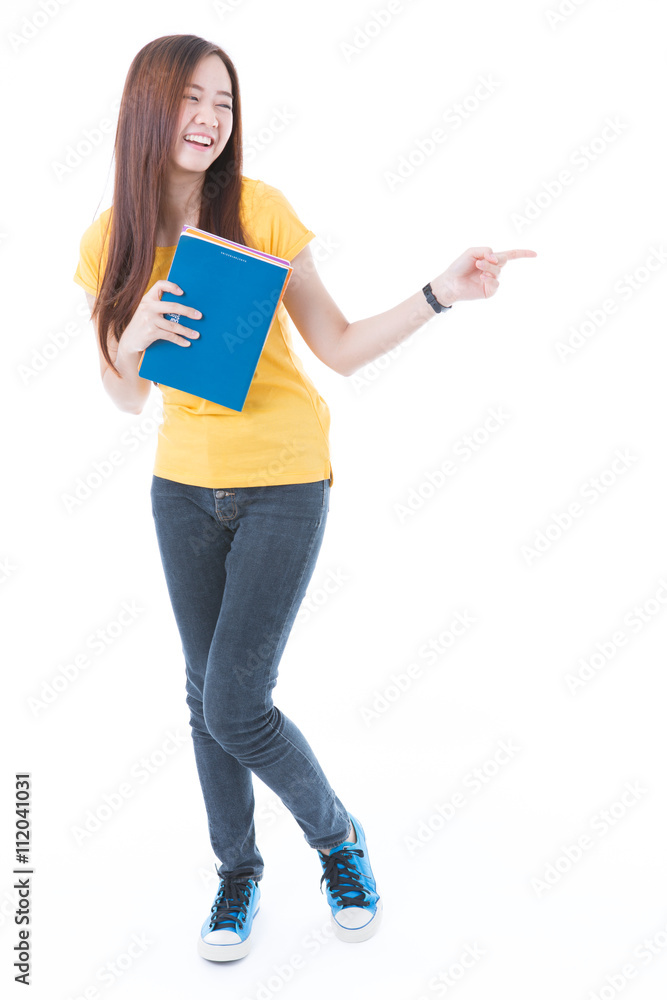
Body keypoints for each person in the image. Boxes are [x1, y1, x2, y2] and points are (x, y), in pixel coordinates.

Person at [73, 33, 537, 963]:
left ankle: (337, 841)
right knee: (205, 698)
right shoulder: (109, 239)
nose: (210, 120)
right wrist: (132, 341)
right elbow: (124, 396)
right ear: (147, 109)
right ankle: (237, 875)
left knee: (237, 702)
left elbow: (336, 343)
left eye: (225, 103)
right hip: (181, 489)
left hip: (284, 477)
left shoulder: (259, 210)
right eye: (192, 101)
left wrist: (439, 293)